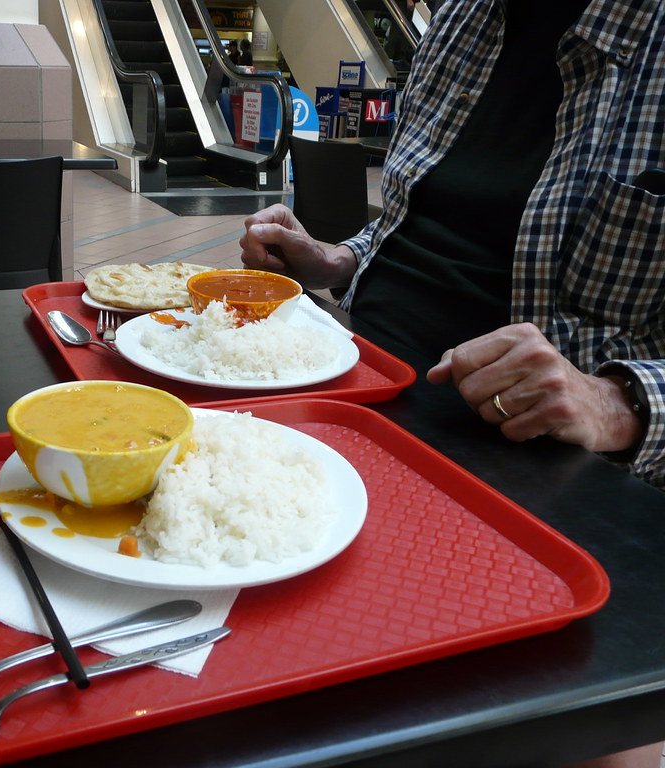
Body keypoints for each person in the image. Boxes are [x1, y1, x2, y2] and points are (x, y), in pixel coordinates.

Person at [243, 7, 665, 762]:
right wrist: (334, 260)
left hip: (540, 471)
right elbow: (419, 219)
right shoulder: (464, 18)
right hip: (350, 390)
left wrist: (618, 402)